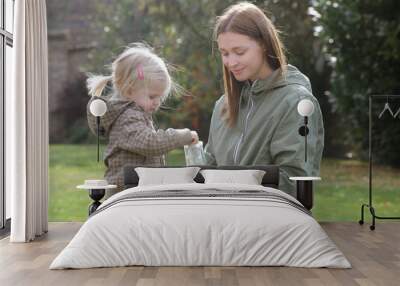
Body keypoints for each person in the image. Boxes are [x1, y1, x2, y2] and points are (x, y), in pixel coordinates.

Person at [204, 2, 324, 198]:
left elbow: (294, 182)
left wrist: (231, 188)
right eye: (224, 53)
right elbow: (208, 169)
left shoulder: (296, 103)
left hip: (270, 222)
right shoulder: (223, 106)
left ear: (264, 44)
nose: (231, 62)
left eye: (239, 52)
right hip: (221, 220)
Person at [86, 43, 198, 195]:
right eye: (152, 96)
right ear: (129, 90)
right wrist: (181, 136)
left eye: (160, 97)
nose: (157, 102)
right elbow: (150, 143)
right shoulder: (127, 118)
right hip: (125, 195)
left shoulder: (135, 115)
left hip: (135, 192)